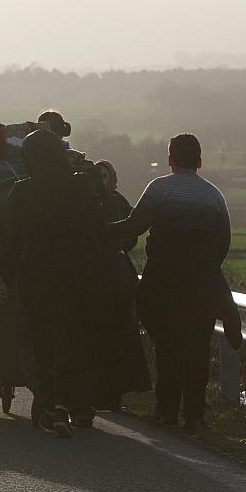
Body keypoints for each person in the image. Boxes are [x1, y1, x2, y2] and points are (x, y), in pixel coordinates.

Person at [108, 134, 242, 431]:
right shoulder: (213, 196)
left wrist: (99, 229)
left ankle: (166, 410)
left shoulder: (159, 189)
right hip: (202, 283)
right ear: (200, 161)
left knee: (167, 344)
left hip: (163, 280)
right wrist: (205, 269)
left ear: (170, 159)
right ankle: (194, 414)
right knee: (198, 349)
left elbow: (135, 226)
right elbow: (223, 241)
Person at [0, 129, 111, 437]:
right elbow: (98, 232)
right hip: (78, 272)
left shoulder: (23, 191)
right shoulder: (82, 187)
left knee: (41, 340)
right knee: (73, 337)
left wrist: (3, 275)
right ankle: (69, 404)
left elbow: (11, 239)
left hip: (37, 273)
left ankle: (49, 405)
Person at [93, 160, 152, 411]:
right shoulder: (90, 201)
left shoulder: (117, 201)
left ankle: (115, 391)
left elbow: (131, 234)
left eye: (106, 175)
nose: (103, 179)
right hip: (96, 270)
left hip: (116, 270)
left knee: (120, 332)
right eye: (99, 175)